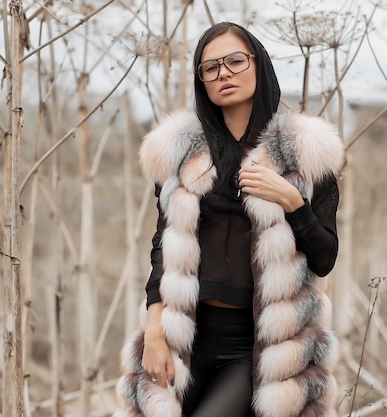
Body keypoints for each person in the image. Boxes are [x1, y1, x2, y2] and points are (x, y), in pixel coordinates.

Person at [114, 21, 344, 417]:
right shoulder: (182, 155)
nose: (223, 73)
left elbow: (325, 257)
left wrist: (290, 200)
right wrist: (153, 331)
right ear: (201, 79)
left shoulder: (303, 153)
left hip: (256, 347)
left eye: (235, 61)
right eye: (210, 67)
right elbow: (162, 252)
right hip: (183, 339)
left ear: (258, 63)